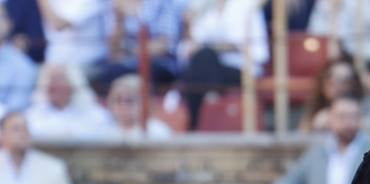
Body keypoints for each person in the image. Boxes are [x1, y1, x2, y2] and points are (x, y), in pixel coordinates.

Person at [179, 0, 269, 130]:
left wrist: (206, 47)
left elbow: (237, 44)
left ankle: (195, 122)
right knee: (198, 65)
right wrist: (189, 23)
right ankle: (209, 99)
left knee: (203, 59)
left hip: (243, 68)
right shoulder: (206, 6)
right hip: (211, 69)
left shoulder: (245, 4)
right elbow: (195, 41)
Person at [272, 94, 370, 184]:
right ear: (330, 119)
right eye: (342, 117)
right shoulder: (317, 152)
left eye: (353, 117)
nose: (348, 123)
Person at [91, 0, 181, 91]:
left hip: (159, 62)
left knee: (119, 71)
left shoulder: (163, 3)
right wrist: (119, 19)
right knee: (100, 73)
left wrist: (129, 50)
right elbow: (113, 49)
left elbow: (164, 44)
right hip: (125, 61)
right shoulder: (117, 4)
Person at [25, 60, 115, 139]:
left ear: (73, 84)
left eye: (59, 79)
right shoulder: (30, 117)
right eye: (50, 79)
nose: (53, 84)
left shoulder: (96, 116)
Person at [300, 56, 362, 133]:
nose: (338, 85)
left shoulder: (364, 108)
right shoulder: (316, 107)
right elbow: (303, 135)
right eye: (330, 77)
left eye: (345, 80)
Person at [105, 73, 173, 138]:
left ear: (145, 103)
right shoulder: (103, 131)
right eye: (118, 100)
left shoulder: (158, 132)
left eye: (129, 100)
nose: (123, 105)